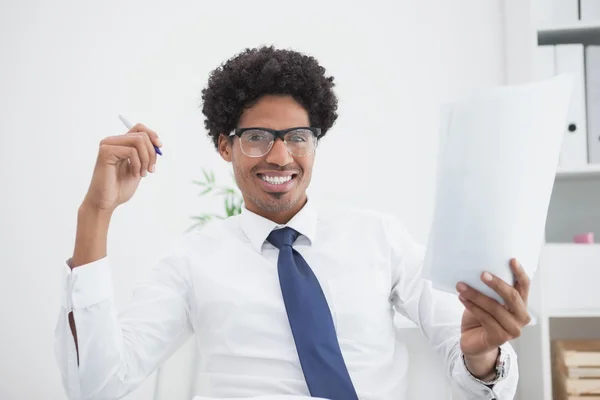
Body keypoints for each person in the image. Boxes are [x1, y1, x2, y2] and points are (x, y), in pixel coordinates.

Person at [54, 46, 530, 400]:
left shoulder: (379, 239)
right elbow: (97, 384)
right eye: (258, 137)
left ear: (315, 143)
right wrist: (95, 212)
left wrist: (483, 356)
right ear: (225, 146)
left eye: (297, 137)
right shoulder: (191, 259)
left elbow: (476, 368)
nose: (280, 156)